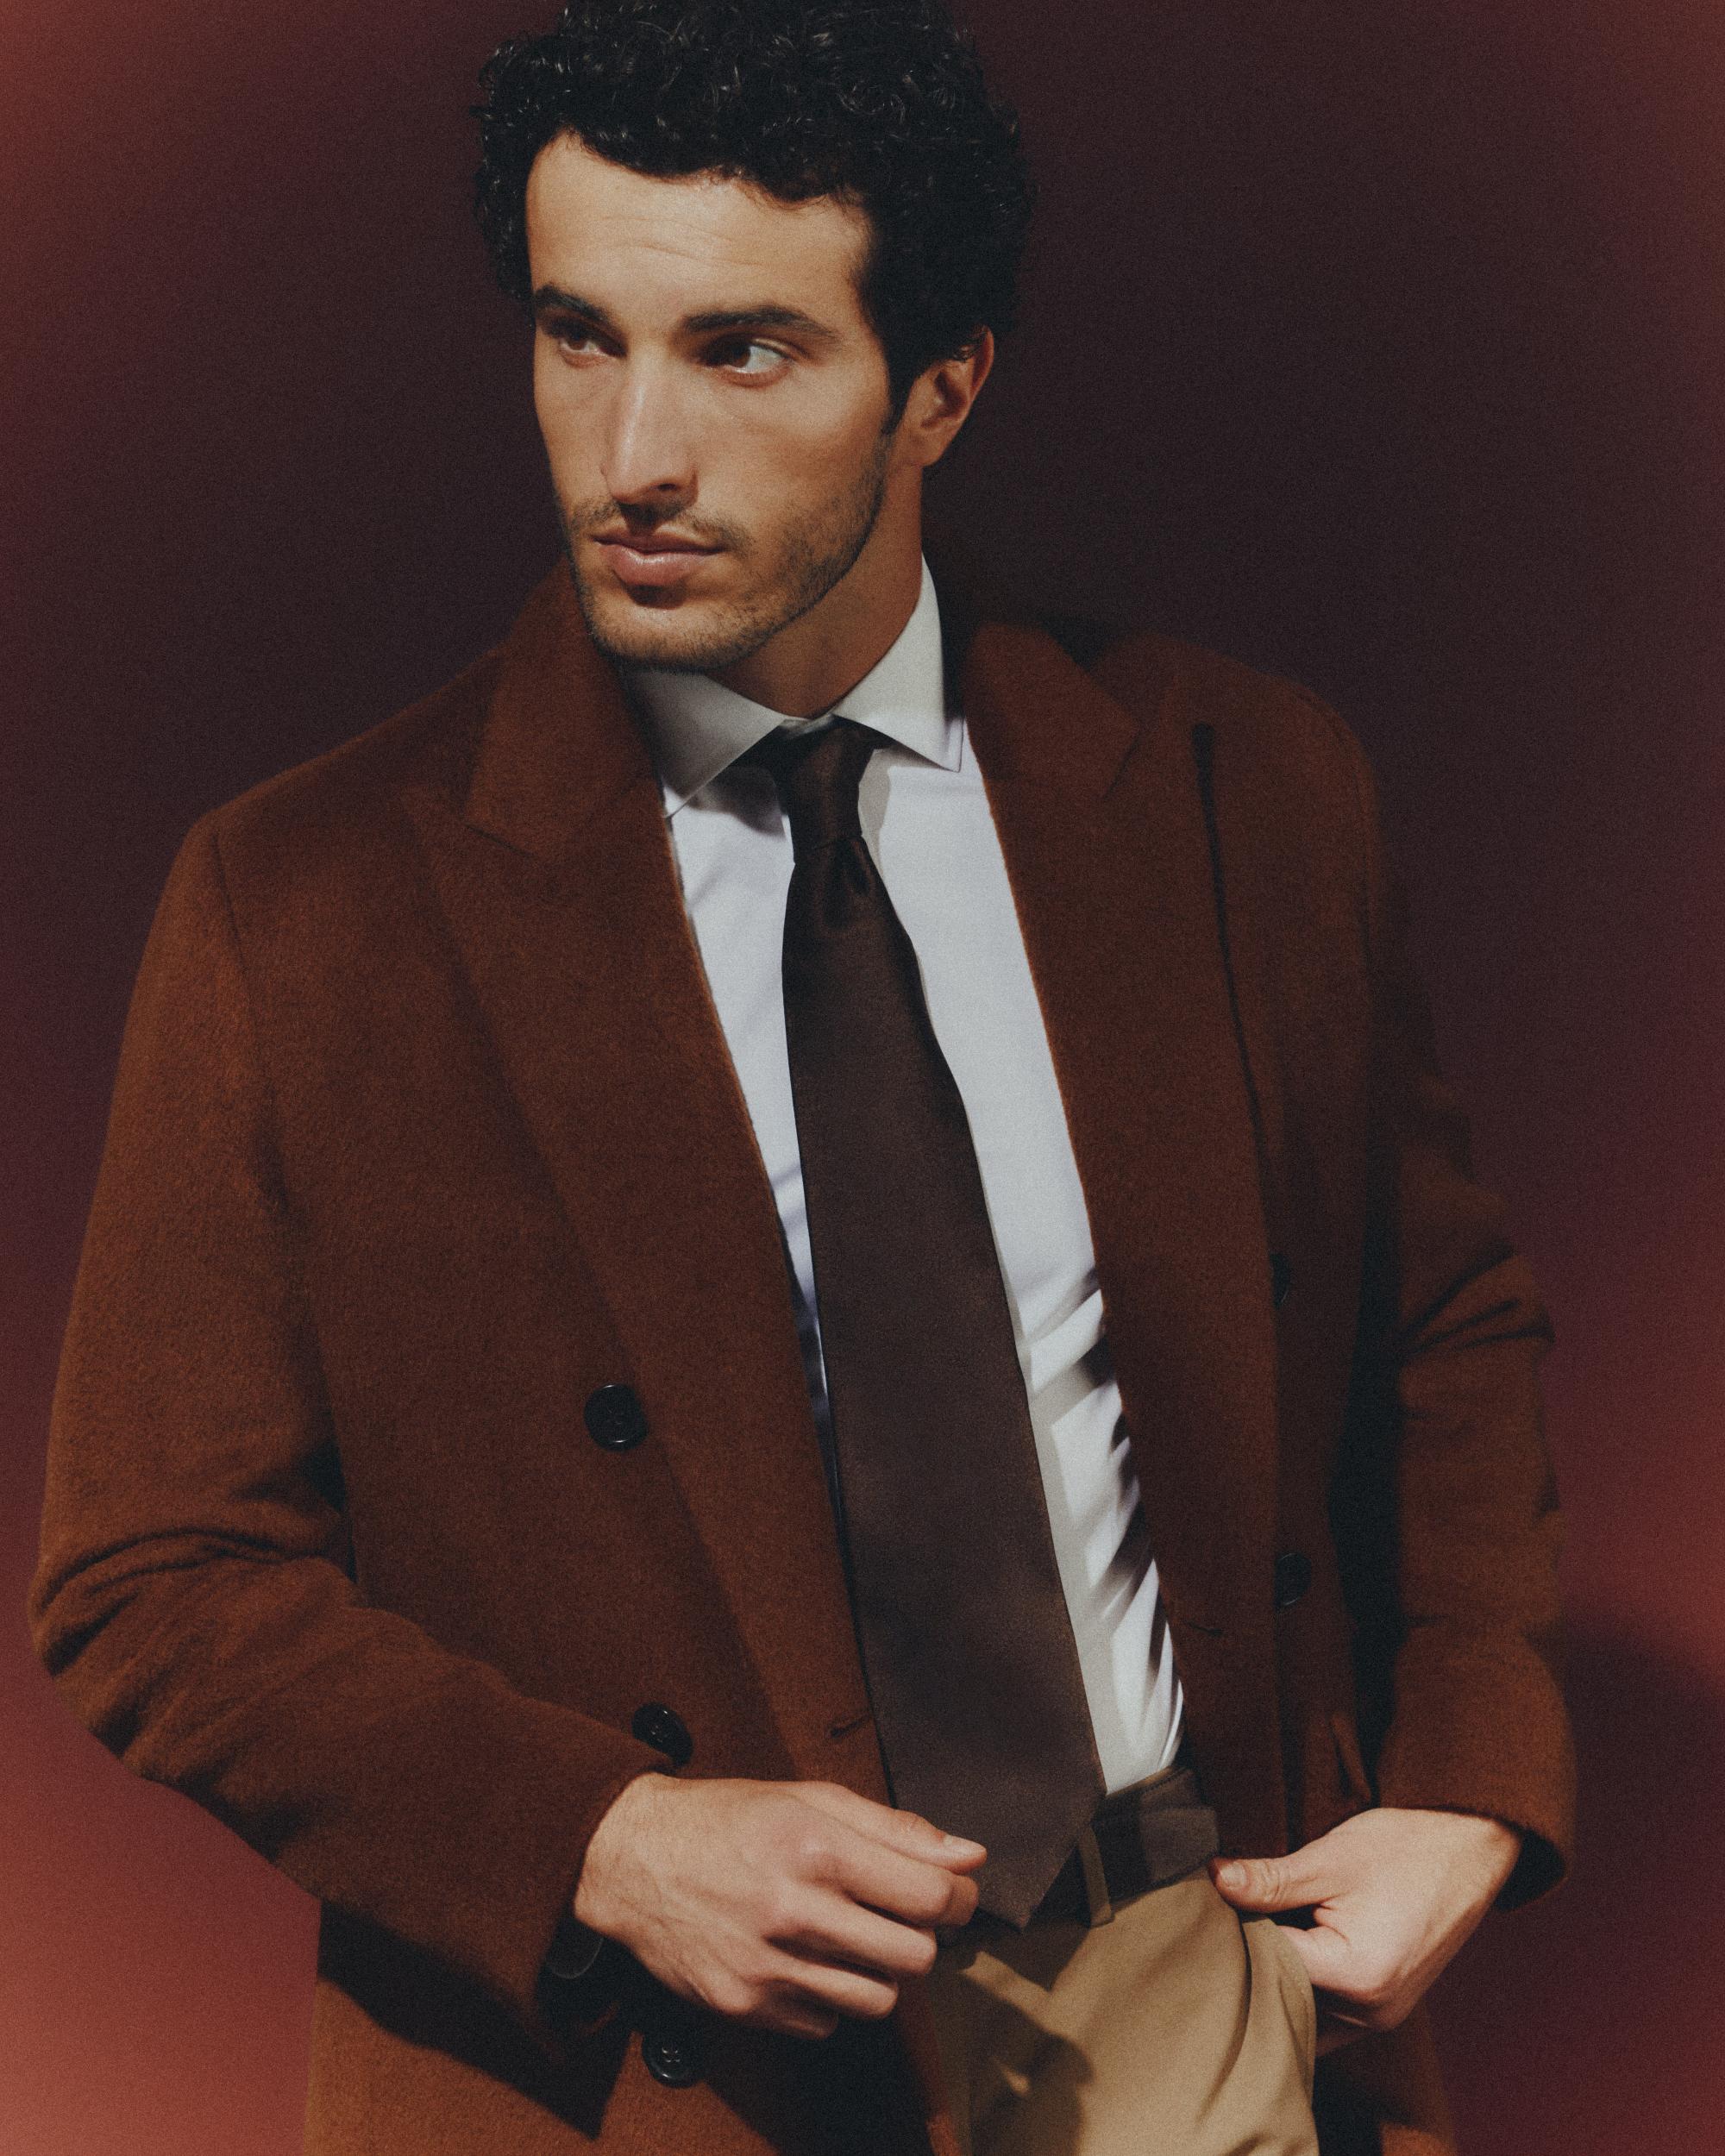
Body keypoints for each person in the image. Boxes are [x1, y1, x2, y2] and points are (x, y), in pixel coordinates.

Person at [28, 3, 1572, 2152]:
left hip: (1191, 1969)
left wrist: (1471, 1778)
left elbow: (1436, 1315)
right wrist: (601, 1833)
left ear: (942, 384)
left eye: (741, 351)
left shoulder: (1243, 789)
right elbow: (150, 1572)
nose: (630, 455)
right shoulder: (306, 904)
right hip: (655, 2061)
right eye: (578, 337)